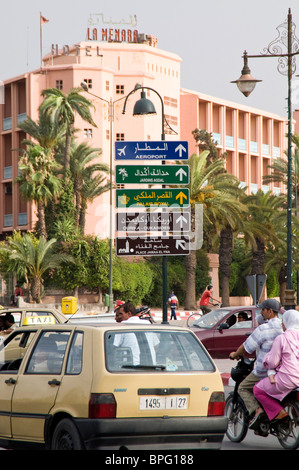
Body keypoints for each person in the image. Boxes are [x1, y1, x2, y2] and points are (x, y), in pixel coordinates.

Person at [229, 298, 283, 427]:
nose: (261, 313)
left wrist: (235, 354)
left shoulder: (264, 328)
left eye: (263, 310)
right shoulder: (283, 327)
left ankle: (257, 410)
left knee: (243, 387)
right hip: (281, 371)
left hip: (264, 371)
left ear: (270, 311)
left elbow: (247, 346)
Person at [251, 309, 299, 426]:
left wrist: (266, 360)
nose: (282, 324)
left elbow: (272, 362)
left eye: (283, 321)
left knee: (258, 389)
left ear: (287, 322)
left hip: (287, 378)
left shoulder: (282, 338)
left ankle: (279, 412)